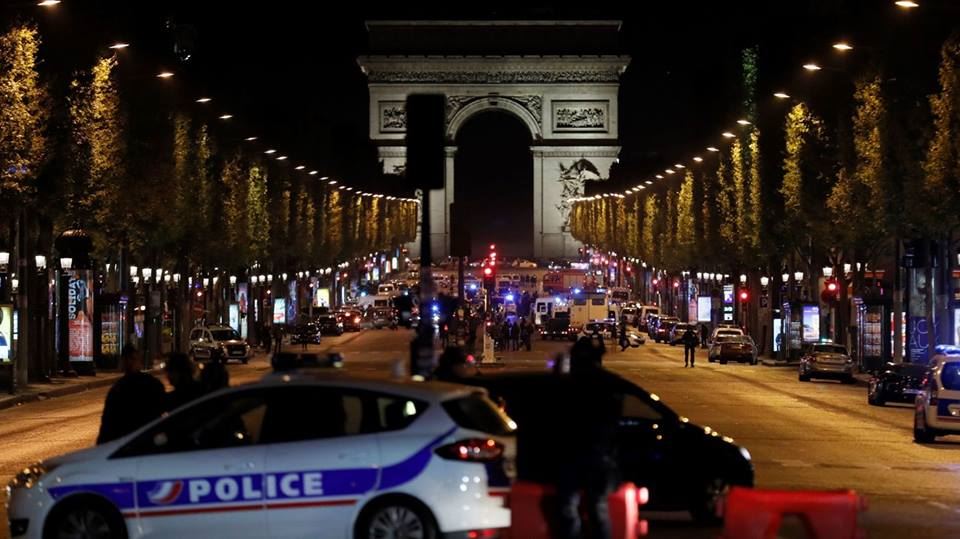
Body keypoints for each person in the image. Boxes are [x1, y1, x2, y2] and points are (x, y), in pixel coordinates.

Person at [554, 336, 621, 539]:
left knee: (569, 508)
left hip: (577, 454)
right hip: (595, 455)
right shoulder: (608, 384)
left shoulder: (570, 384)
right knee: (596, 509)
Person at [96, 346, 166, 445]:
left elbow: (107, 424)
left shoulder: (118, 389)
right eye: (129, 359)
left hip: (129, 444)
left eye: (132, 359)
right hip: (146, 442)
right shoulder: (152, 383)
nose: (130, 362)